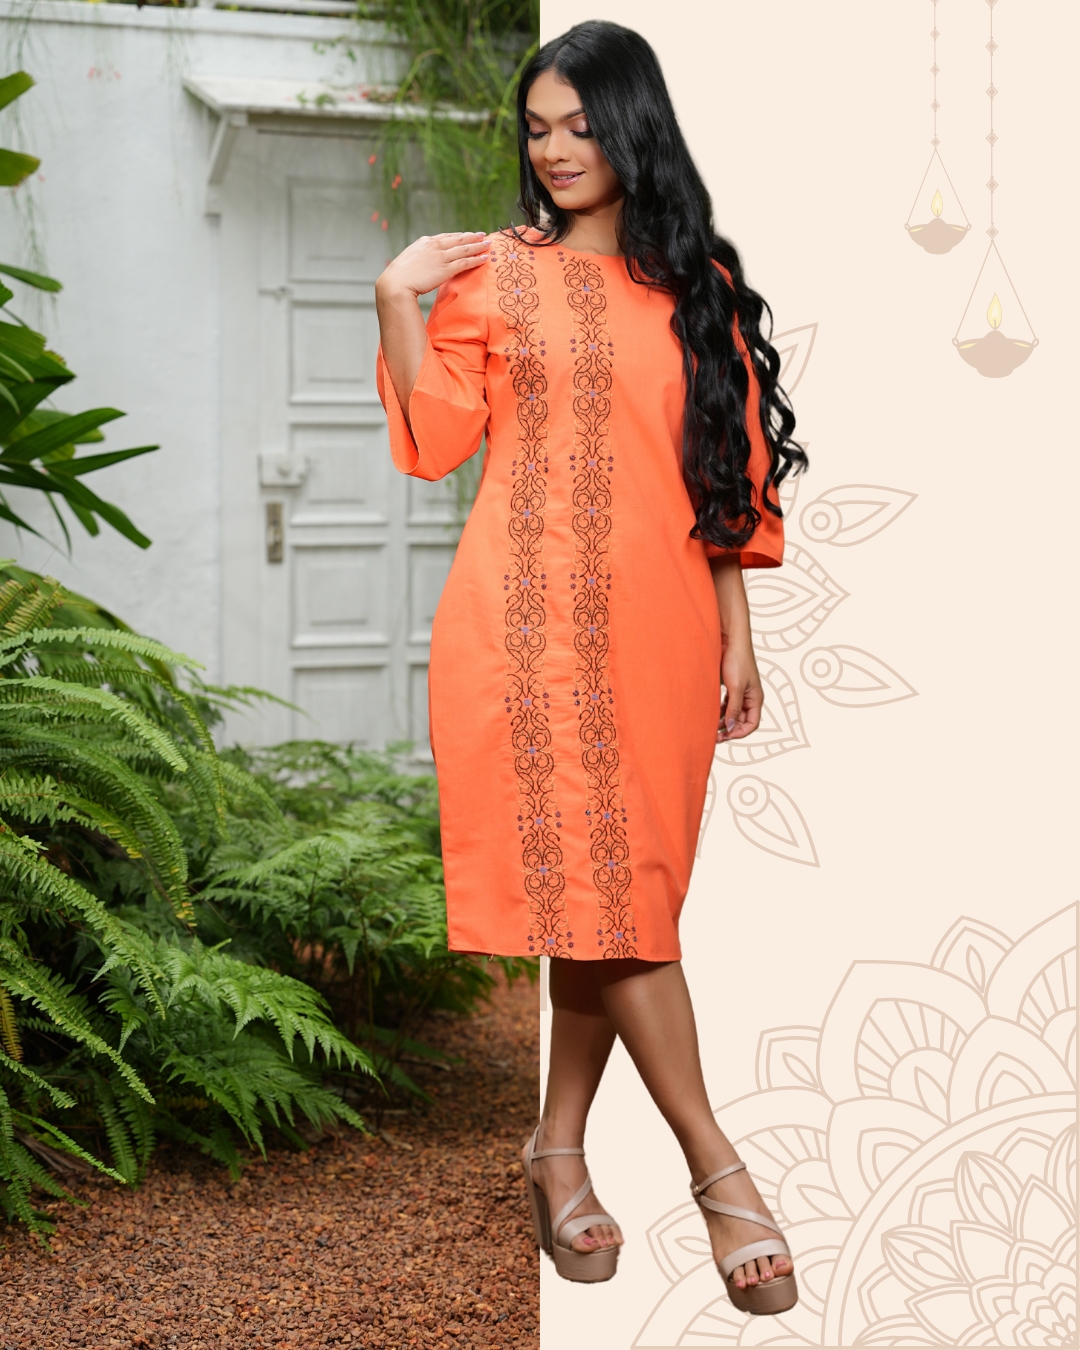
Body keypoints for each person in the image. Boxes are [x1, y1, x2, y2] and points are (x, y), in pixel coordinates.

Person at [375, 19, 806, 1317]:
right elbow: (435, 440)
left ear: (633, 129)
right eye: (537, 128)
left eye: (579, 124)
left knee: (610, 900)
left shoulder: (698, 285)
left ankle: (554, 1151)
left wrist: (738, 631)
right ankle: (717, 1165)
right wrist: (397, 300)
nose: (555, 149)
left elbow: (718, 475)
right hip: (524, 636)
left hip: (664, 634)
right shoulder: (497, 277)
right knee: (614, 904)